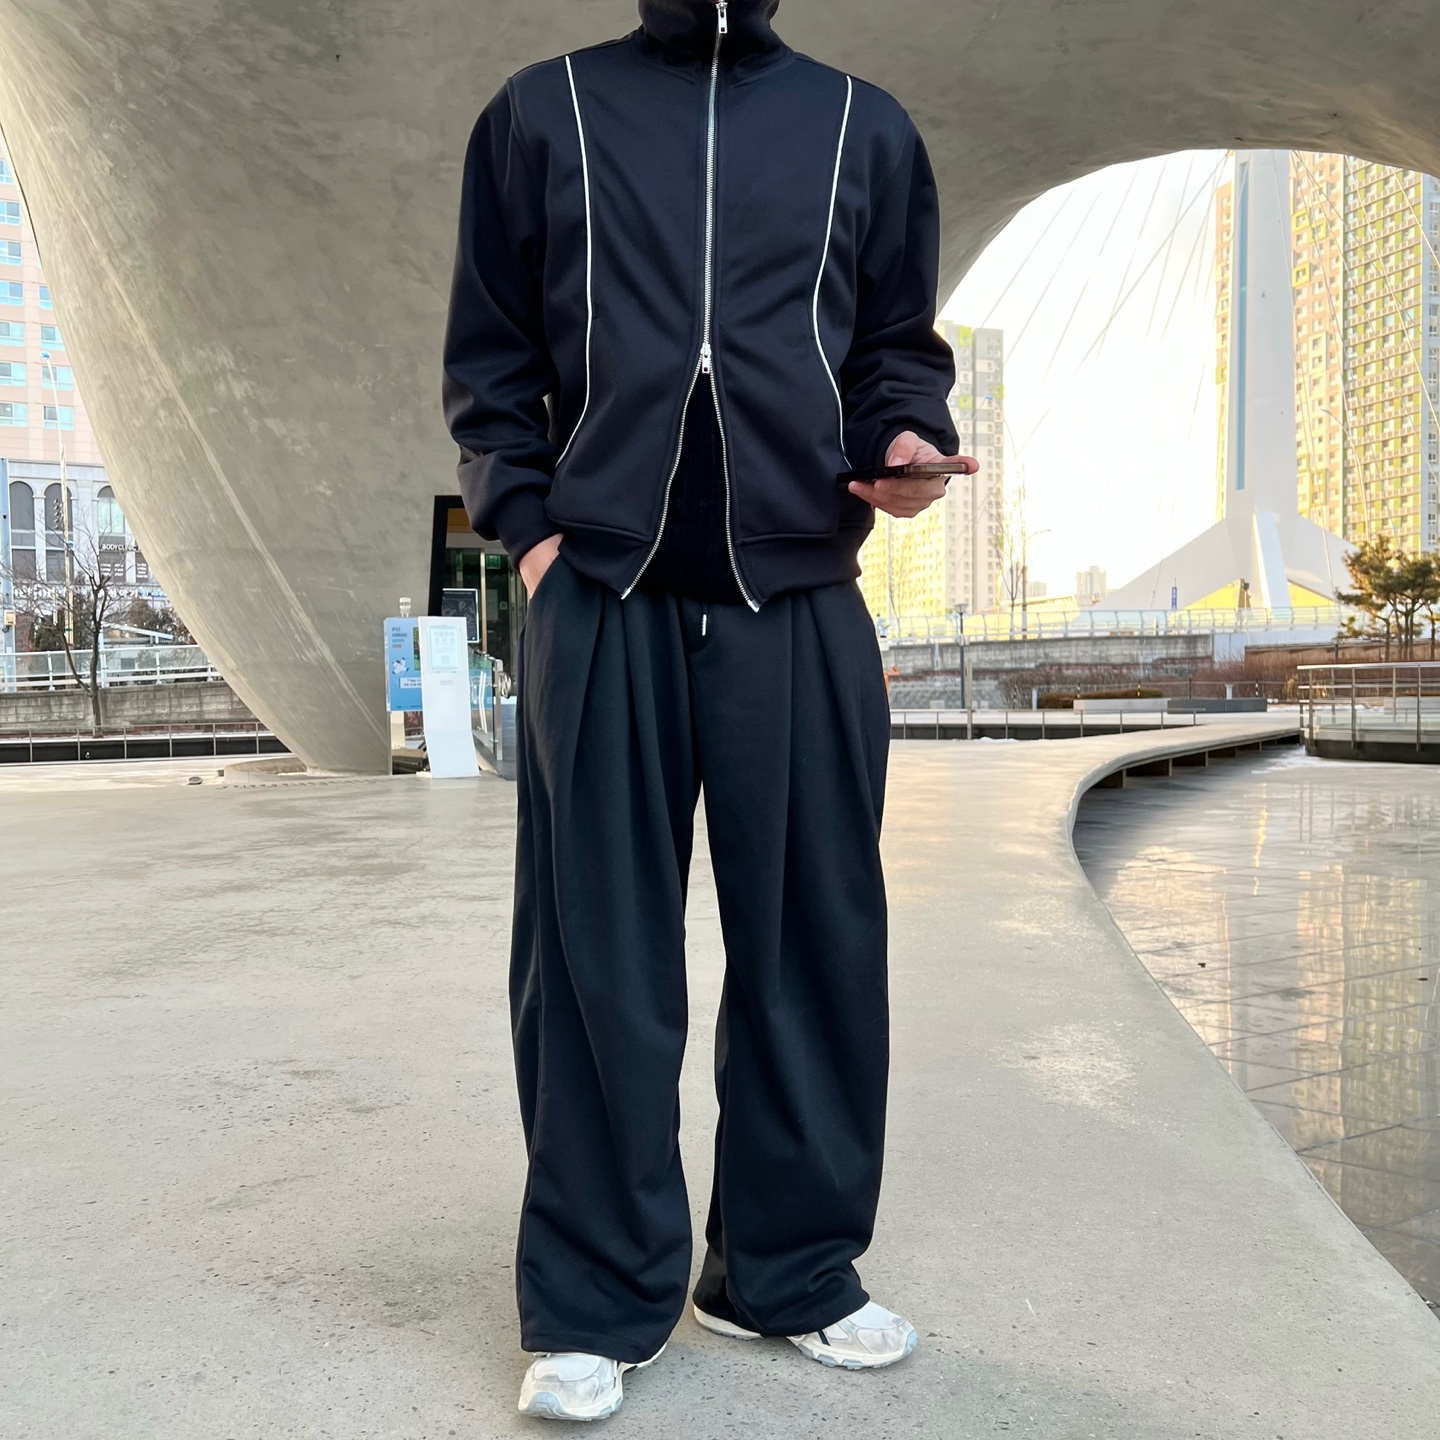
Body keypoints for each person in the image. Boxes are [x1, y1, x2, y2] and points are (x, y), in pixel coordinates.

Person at [444, 0, 970, 1421]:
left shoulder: (863, 127)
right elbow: (491, 361)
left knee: (815, 946)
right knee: (593, 961)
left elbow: (893, 347)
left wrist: (904, 442)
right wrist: (535, 535)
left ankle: (786, 1273)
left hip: (797, 597)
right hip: (599, 594)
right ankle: (593, 1299)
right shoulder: (542, 111)